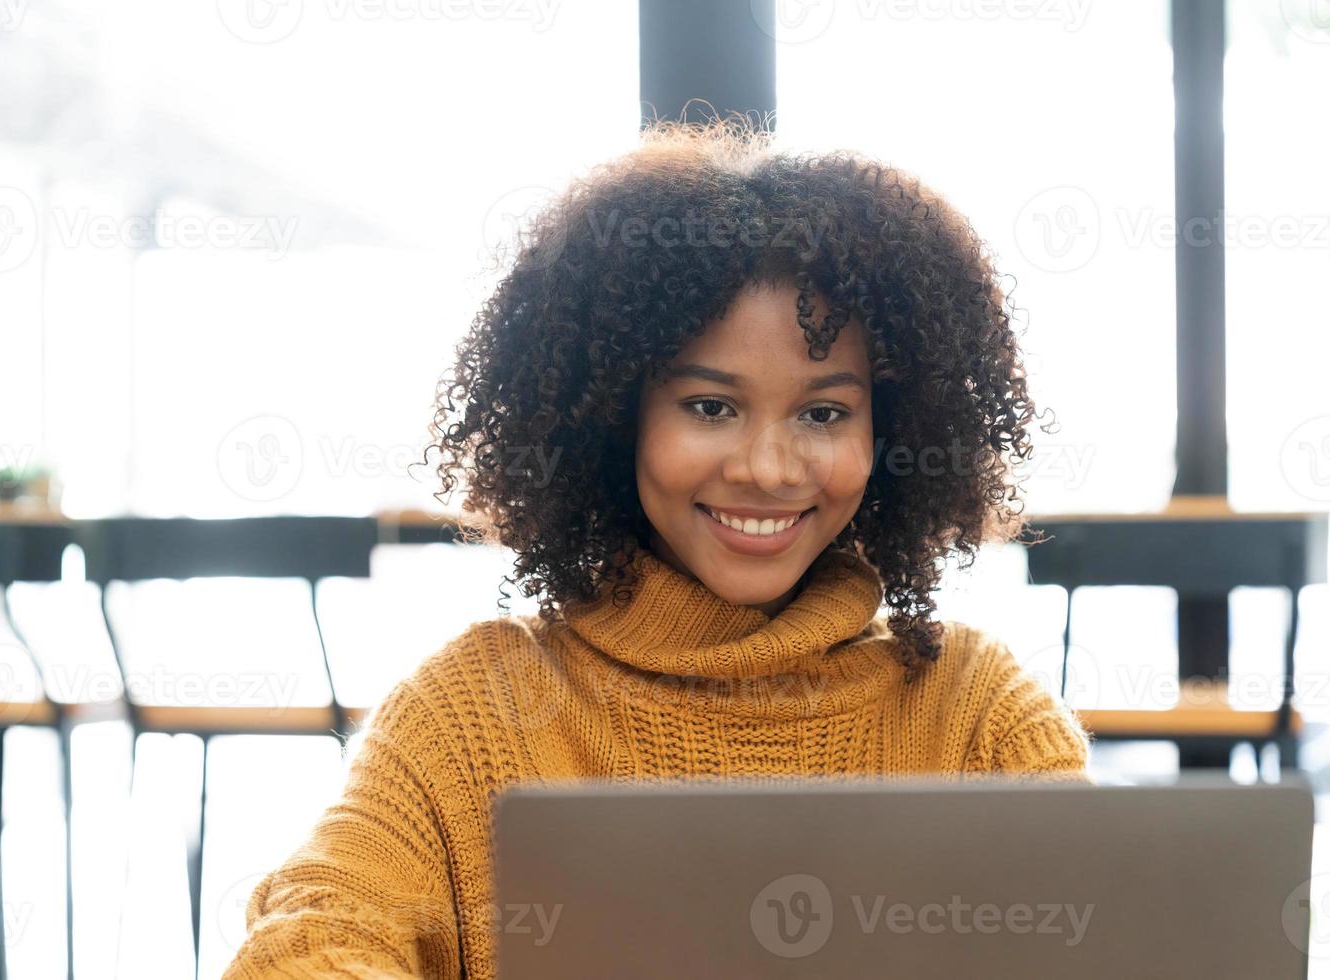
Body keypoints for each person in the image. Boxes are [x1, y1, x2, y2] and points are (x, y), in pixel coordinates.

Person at [221, 117, 1092, 980]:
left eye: (823, 413)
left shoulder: (976, 717)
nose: (766, 468)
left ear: (890, 431)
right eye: (711, 407)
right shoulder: (472, 712)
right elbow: (312, 939)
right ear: (613, 420)